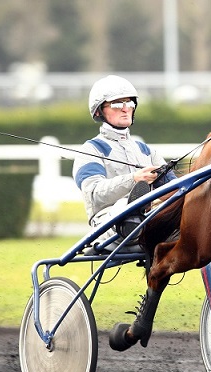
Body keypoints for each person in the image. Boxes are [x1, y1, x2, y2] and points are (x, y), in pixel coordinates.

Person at [72, 75, 174, 250]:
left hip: (150, 218)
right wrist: (134, 179)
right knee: (124, 206)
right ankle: (134, 216)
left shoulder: (147, 150)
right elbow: (94, 193)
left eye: (130, 103)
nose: (126, 109)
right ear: (98, 111)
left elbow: (174, 187)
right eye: (117, 104)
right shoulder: (91, 150)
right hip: (108, 226)